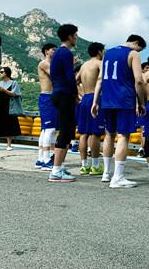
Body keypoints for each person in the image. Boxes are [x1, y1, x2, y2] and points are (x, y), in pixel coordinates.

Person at [92, 35, 147, 188]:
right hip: (124, 100)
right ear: (136, 43)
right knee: (123, 136)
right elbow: (139, 80)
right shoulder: (133, 54)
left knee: (109, 135)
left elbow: (100, 79)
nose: (139, 52)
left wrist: (95, 101)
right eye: (140, 49)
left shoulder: (108, 53)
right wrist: (141, 102)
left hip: (107, 99)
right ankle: (118, 177)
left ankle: (106, 173)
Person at [47, 24, 79, 182]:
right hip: (65, 94)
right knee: (66, 131)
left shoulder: (58, 53)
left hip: (58, 93)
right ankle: (55, 171)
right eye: (75, 35)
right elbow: (70, 77)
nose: (77, 38)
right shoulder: (66, 53)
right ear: (70, 36)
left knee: (67, 131)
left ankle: (59, 167)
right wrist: (76, 94)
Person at [75, 42, 105, 176]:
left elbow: (74, 82)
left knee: (83, 133)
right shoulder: (100, 64)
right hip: (95, 98)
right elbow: (101, 81)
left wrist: (78, 96)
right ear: (99, 51)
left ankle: (84, 166)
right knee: (95, 133)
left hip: (85, 98)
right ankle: (95, 166)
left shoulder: (83, 66)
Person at [35, 43, 58, 170]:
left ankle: (40, 159)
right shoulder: (44, 63)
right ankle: (46, 160)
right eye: (53, 50)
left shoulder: (50, 64)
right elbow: (56, 76)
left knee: (46, 129)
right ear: (46, 51)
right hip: (47, 97)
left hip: (50, 97)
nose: (55, 51)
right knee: (49, 129)